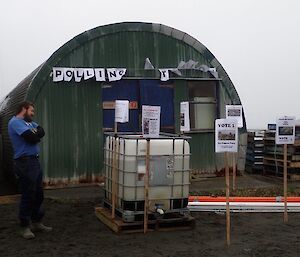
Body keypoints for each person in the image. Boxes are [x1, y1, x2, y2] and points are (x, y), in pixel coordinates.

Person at [8, 101, 52, 239]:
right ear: (23, 109)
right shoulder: (15, 122)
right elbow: (32, 137)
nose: (33, 114)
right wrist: (34, 134)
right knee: (29, 193)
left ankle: (36, 221)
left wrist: (35, 133)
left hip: (34, 161)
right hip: (24, 162)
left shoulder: (28, 123)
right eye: (31, 111)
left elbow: (41, 131)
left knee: (38, 193)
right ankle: (24, 226)